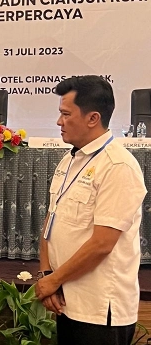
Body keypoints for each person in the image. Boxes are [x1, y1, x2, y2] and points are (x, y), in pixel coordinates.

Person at [35, 75, 146, 345]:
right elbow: (51, 222)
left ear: (92, 118)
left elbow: (101, 244)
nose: (59, 122)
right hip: (66, 300)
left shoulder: (117, 166)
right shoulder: (69, 159)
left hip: (99, 310)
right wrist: (47, 275)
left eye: (65, 114)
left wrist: (53, 281)